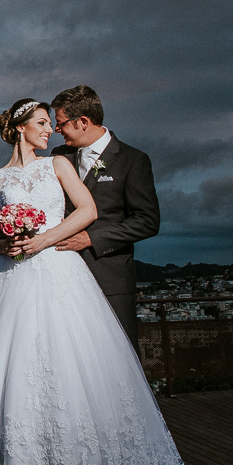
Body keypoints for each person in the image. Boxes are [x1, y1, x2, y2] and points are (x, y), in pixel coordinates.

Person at [0, 98, 193, 465]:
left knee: (72, 362)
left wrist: (45, 239)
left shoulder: (59, 164)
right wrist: (6, 242)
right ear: (18, 129)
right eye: (41, 123)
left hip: (60, 272)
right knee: (15, 368)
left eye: (51, 123)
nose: (49, 130)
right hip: (12, 276)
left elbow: (88, 210)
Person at [50, 85, 159, 349]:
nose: (56, 129)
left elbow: (147, 220)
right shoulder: (58, 157)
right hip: (61, 276)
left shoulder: (133, 160)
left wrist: (91, 238)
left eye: (61, 122)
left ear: (83, 122)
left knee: (118, 354)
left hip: (109, 278)